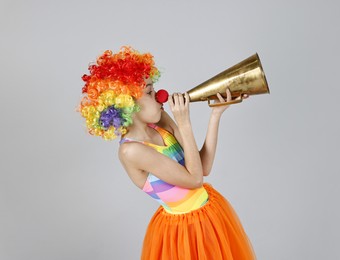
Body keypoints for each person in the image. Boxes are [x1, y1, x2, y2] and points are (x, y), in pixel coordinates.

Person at [78, 46, 256, 259]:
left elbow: (203, 166)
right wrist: (184, 123)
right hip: (184, 232)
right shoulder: (131, 151)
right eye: (150, 93)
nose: (160, 96)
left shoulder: (161, 122)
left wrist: (215, 114)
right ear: (128, 104)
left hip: (210, 215)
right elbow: (194, 179)